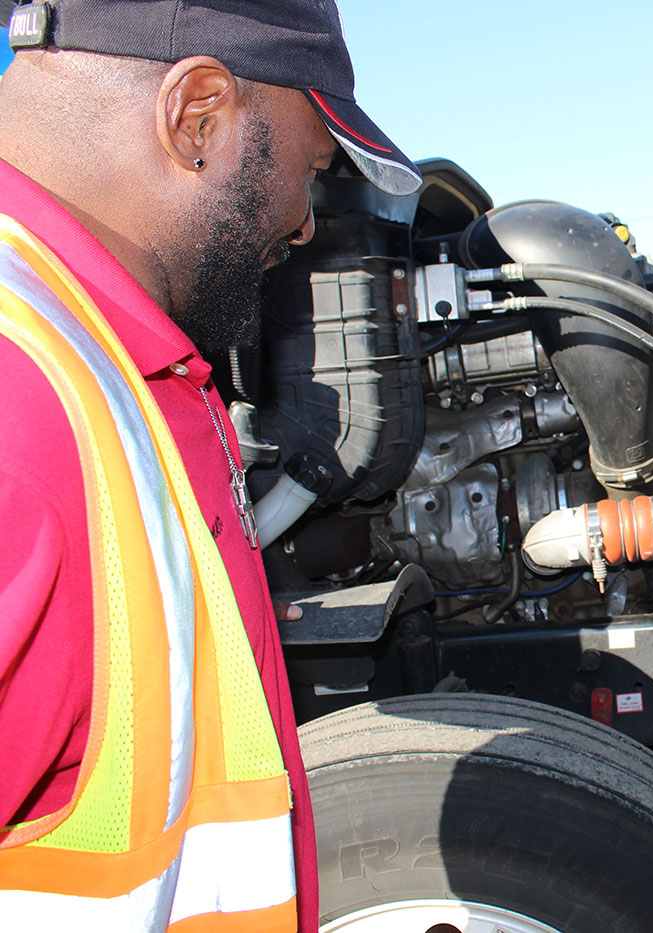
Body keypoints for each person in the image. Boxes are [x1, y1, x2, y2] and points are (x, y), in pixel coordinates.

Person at [0, 1, 420, 928]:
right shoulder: (21, 409)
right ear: (198, 115)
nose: (307, 224)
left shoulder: (110, 365)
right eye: (311, 171)